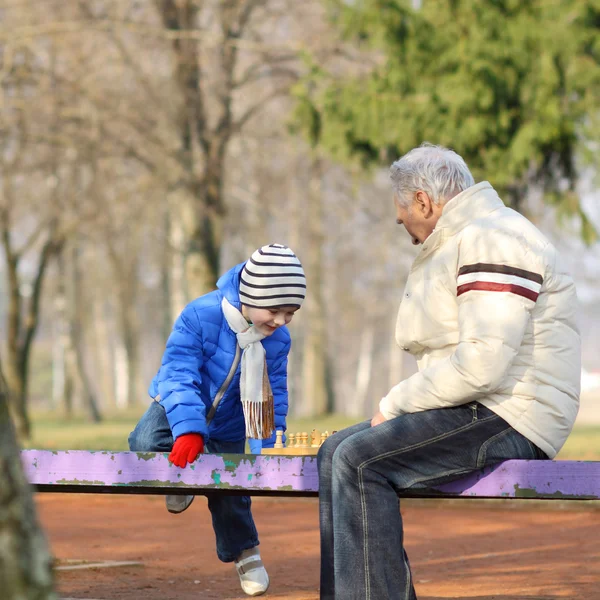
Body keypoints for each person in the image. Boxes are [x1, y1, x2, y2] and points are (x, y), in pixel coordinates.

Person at [317, 144, 581, 600]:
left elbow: (482, 365)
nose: (407, 230)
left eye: (405, 218)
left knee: (357, 461)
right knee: (334, 451)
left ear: (423, 201)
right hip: (483, 405)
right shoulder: (472, 234)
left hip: (514, 413)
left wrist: (395, 403)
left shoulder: (495, 237)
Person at [129, 243, 305, 597]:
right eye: (276, 311)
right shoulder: (200, 315)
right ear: (251, 295)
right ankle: (179, 480)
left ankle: (245, 552)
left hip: (230, 421)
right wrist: (189, 429)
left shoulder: (277, 338)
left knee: (231, 491)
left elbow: (275, 392)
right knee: (144, 443)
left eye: (291, 313)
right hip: (176, 405)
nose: (282, 322)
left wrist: (272, 442)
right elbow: (178, 373)